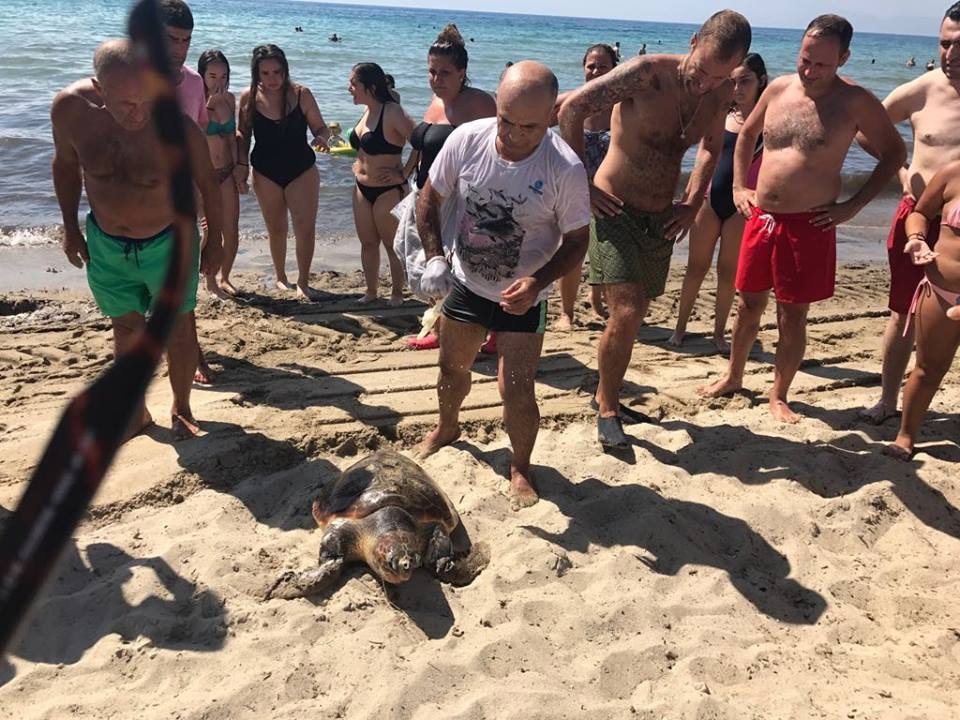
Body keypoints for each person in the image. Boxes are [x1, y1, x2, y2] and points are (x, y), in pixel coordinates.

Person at [559, 10, 753, 448]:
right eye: (701, 69)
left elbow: (709, 148)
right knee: (625, 311)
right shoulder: (647, 75)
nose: (705, 82)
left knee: (636, 312)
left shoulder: (719, 92)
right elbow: (571, 109)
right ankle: (608, 408)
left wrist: (692, 201)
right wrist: (581, 185)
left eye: (719, 76)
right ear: (692, 42)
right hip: (613, 207)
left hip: (662, 216)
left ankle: (604, 392)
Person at [699, 15, 905, 423]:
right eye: (805, 59)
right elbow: (744, 137)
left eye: (821, 65)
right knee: (748, 304)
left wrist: (853, 206)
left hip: (809, 225)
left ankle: (779, 394)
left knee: (792, 313)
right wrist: (740, 188)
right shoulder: (777, 89)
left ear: (843, 58)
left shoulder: (856, 101)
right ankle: (734, 376)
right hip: (762, 217)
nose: (809, 71)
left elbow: (894, 154)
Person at [414, 61, 591, 508]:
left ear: (551, 117)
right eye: (505, 120)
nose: (510, 135)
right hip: (467, 282)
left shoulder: (564, 168)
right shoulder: (467, 139)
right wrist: (435, 256)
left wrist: (538, 282)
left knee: (516, 386)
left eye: (526, 127)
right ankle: (447, 425)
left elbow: (576, 243)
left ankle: (521, 465)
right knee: (452, 370)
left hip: (525, 297)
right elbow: (428, 200)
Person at [51, 40, 223, 440]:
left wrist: (215, 240)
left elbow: (209, 186)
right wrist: (70, 227)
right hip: (107, 244)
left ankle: (181, 407)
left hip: (169, 241)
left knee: (179, 327)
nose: (140, 112)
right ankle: (137, 412)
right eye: (127, 103)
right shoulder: (70, 111)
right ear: (99, 88)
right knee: (125, 327)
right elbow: (64, 165)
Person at [860, 3, 960, 424]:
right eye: (944, 43)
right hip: (918, 216)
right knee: (903, 311)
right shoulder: (922, 88)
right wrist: (900, 171)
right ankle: (887, 400)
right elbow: (866, 130)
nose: (950, 55)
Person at [396, 23, 496, 350]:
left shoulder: (480, 104)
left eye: (444, 73)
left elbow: (501, 147)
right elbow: (423, 147)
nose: (436, 79)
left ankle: (488, 333)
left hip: (461, 200)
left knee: (467, 268)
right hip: (425, 194)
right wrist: (404, 174)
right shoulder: (435, 103)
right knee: (422, 262)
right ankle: (439, 327)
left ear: (462, 72)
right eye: (431, 71)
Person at [670, 53, 768, 352]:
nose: (737, 88)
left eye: (745, 81)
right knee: (695, 268)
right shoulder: (721, 114)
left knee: (728, 272)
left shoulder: (770, 122)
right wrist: (689, 199)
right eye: (733, 81)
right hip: (710, 200)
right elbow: (703, 159)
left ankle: (718, 333)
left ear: (761, 82)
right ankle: (679, 329)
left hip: (743, 206)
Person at [237, 44, 330, 301]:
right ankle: (280, 277)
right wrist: (241, 168)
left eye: (277, 72)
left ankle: (303, 281)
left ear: (285, 70)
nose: (272, 79)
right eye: (265, 73)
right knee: (276, 228)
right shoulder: (248, 97)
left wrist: (323, 139)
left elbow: (321, 128)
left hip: (301, 169)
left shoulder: (301, 94)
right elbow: (243, 136)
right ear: (256, 73)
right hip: (265, 171)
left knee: (304, 227)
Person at [887, 161, 960, 457]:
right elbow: (919, 213)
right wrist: (916, 238)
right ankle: (906, 435)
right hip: (942, 292)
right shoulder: (953, 173)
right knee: (927, 369)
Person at [159, 0, 215, 387]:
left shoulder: (195, 83)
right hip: (140, 194)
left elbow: (199, 136)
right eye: (171, 39)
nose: (179, 49)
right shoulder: (131, 77)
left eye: (186, 40)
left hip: (182, 195)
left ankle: (191, 352)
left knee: (182, 286)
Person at [552, 43, 618, 330]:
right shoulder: (570, 103)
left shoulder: (623, 106)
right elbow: (531, 124)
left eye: (602, 66)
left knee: (605, 251)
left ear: (615, 70)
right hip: (573, 190)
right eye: (591, 65)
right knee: (573, 251)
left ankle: (596, 302)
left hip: (611, 191)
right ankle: (567, 313)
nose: (595, 71)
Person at [348, 62, 415, 304]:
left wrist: (405, 174)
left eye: (353, 84)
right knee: (367, 243)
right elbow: (364, 147)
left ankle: (397, 293)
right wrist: (354, 161)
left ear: (370, 87)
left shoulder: (392, 111)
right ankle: (371, 291)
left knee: (390, 244)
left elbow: (419, 141)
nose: (349, 89)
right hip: (361, 188)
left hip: (387, 189)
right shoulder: (367, 110)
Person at [198, 50, 241, 297]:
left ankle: (225, 277)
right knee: (208, 229)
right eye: (212, 75)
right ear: (202, 74)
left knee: (231, 229)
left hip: (226, 170)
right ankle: (209, 281)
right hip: (204, 174)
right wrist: (211, 105)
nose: (219, 82)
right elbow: (196, 131)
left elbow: (230, 137)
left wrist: (238, 168)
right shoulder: (195, 98)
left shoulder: (230, 98)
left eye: (223, 76)